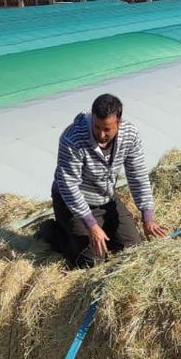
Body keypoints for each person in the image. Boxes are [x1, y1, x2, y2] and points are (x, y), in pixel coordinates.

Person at [50, 93, 169, 267]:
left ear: (118, 124)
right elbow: (69, 186)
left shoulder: (130, 135)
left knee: (132, 248)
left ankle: (98, 228)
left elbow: (138, 175)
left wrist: (147, 216)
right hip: (71, 203)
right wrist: (91, 225)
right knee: (92, 261)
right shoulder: (72, 138)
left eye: (107, 129)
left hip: (105, 198)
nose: (101, 134)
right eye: (97, 127)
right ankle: (52, 232)